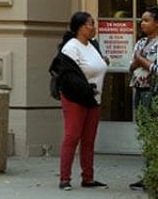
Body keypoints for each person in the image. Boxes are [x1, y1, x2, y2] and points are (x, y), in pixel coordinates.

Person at [51, 11, 109, 191]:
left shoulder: (93, 45)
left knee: (89, 140)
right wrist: (88, 88)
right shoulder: (71, 47)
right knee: (72, 137)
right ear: (80, 28)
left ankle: (88, 178)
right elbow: (68, 76)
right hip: (75, 98)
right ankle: (64, 179)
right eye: (90, 24)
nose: (94, 28)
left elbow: (95, 65)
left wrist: (103, 62)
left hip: (93, 99)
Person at [128, 6, 158, 192]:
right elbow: (131, 67)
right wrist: (138, 61)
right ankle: (150, 175)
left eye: (147, 20)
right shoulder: (140, 43)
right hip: (140, 91)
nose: (142, 23)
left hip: (157, 92)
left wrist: (141, 60)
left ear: (157, 23)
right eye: (142, 20)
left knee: (157, 134)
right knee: (146, 134)